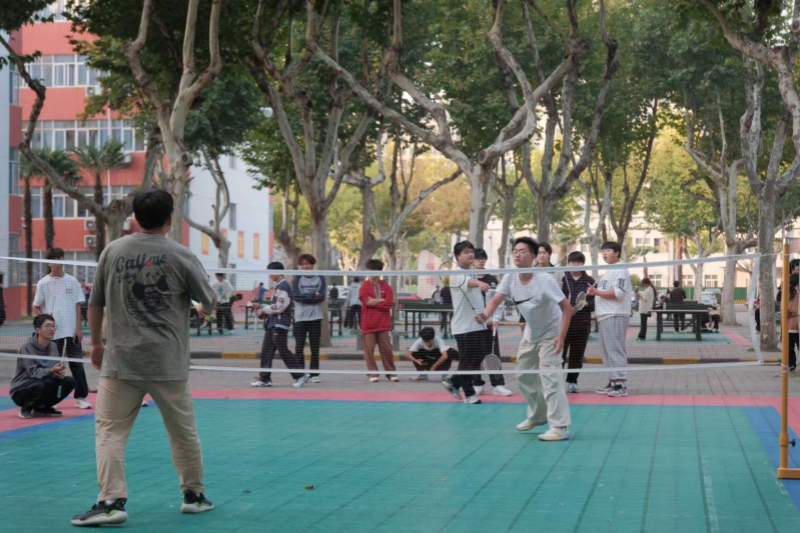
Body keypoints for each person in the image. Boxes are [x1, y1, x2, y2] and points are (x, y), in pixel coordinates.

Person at [72, 189, 217, 527]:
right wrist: (201, 307)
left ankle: (110, 501)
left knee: (110, 432)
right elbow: (210, 302)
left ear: (135, 217)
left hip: (121, 361)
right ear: (170, 219)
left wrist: (96, 344)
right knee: (183, 433)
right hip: (168, 363)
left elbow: (96, 302)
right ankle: (194, 496)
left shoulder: (113, 250)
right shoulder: (181, 255)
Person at [477, 237, 574, 441]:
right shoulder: (510, 277)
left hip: (551, 333)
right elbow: (496, 299)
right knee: (523, 375)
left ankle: (560, 426)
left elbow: (567, 308)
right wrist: (485, 315)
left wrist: (561, 336)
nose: (517, 254)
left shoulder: (545, 279)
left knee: (550, 379)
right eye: (515, 251)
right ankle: (538, 416)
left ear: (533, 257)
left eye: (522, 251)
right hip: (531, 332)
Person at [33, 247, 91, 410]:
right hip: (53, 334)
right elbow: (36, 306)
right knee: (52, 366)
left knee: (77, 364)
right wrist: (46, 324)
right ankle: (50, 399)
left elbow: (78, 305)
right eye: (55, 259)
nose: (59, 262)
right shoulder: (43, 283)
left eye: (61, 258)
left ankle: (80, 397)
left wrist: (78, 328)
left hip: (71, 331)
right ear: (49, 263)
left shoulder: (72, 281)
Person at [440, 241, 489, 404]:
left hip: (478, 324)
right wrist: (479, 283)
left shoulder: (472, 272)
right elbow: (467, 283)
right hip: (464, 326)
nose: (470, 254)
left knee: (477, 358)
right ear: (458, 256)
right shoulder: (456, 273)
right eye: (466, 252)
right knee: (467, 361)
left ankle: (453, 381)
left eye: (471, 251)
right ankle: (469, 395)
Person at [251, 262, 310, 388]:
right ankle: (265, 379)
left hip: (280, 325)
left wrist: (263, 310)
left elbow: (280, 307)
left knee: (283, 351)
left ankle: (301, 375)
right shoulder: (277, 286)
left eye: (271, 272)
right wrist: (261, 306)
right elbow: (275, 305)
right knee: (266, 351)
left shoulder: (284, 286)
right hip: (272, 324)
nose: (269, 275)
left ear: (278, 272)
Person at [10, 314, 76, 419]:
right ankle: (26, 409)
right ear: (38, 330)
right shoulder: (26, 347)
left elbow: (52, 369)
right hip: (21, 389)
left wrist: (58, 373)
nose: (52, 329)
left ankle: (43, 407)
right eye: (48, 326)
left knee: (69, 381)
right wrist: (51, 371)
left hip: (44, 382)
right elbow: (33, 372)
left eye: (53, 326)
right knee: (47, 382)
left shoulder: (53, 346)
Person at [589, 242, 632, 398]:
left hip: (615, 314)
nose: (604, 253)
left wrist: (596, 292)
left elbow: (618, 293)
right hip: (604, 315)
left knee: (615, 349)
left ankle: (621, 385)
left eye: (608, 250)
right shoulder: (609, 271)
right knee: (607, 351)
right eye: (603, 251)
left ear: (617, 253)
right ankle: (613, 382)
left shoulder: (621, 269)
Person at [472, 248, 513, 396]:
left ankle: (498, 385)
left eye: (483, 258)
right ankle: (477, 384)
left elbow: (498, 301)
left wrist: (495, 318)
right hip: (474, 324)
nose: (480, 261)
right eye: (478, 258)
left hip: (489, 324)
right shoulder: (469, 278)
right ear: (473, 260)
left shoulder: (492, 279)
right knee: (475, 354)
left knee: (493, 354)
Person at [561, 251, 595, 393]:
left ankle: (572, 381)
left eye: (578, 262)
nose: (575, 265)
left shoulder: (589, 281)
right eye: (573, 262)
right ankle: (556, 381)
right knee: (559, 354)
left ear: (583, 264)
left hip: (582, 324)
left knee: (577, 355)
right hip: (563, 324)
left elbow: (595, 303)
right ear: (568, 263)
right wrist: (566, 308)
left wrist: (586, 304)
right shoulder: (563, 279)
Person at [359, 259, 398, 382]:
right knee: (369, 351)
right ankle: (373, 374)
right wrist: (381, 300)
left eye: (374, 270)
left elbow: (389, 303)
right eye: (370, 270)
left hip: (384, 324)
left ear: (379, 271)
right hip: (368, 324)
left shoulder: (386, 287)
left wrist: (375, 302)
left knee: (387, 349)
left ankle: (391, 373)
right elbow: (367, 302)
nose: (371, 272)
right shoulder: (364, 287)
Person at [293, 254, 326, 383]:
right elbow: (296, 296)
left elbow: (321, 297)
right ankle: (301, 374)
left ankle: (314, 374)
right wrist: (313, 295)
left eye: (307, 264)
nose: (305, 266)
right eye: (302, 264)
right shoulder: (297, 278)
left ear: (312, 264)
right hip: (300, 318)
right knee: (299, 347)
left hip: (316, 318)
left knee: (315, 347)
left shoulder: (320, 278)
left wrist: (306, 296)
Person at [787, 273, 798, 373]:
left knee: (790, 348)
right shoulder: (796, 295)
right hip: (796, 325)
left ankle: (791, 365)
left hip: (788, 325)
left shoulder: (786, 293)